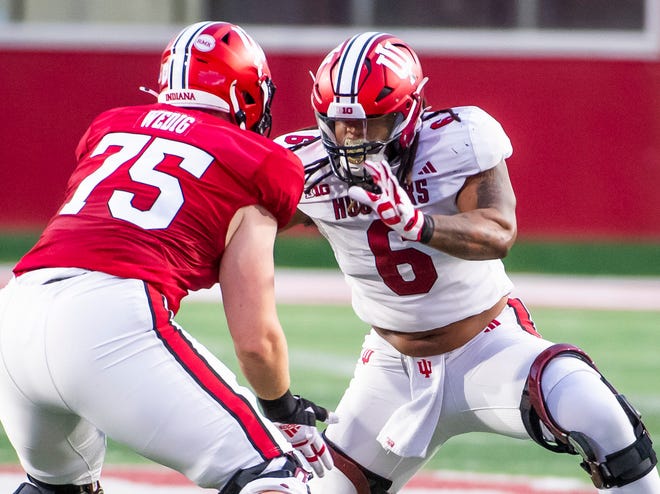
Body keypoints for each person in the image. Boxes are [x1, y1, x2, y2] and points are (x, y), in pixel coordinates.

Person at [274, 31, 659, 493]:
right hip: (390, 369)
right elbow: (233, 235)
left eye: (372, 123)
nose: (353, 139)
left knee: (598, 412)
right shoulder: (300, 164)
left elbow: (499, 232)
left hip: (488, 346)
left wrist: (420, 224)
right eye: (341, 123)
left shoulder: (458, 138)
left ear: (409, 113)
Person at [0, 21, 335, 494]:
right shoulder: (260, 160)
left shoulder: (111, 127)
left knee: (57, 487)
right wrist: (282, 408)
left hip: (15, 315)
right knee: (275, 478)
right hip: (106, 320)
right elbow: (255, 339)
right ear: (249, 95)